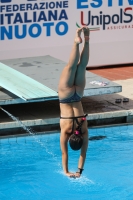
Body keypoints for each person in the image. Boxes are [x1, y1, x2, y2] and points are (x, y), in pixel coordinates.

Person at [58, 27, 90, 178]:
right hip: (65, 96)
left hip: (78, 95)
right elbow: (64, 153)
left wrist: (79, 171)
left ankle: (86, 39)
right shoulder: (65, 133)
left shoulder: (83, 131)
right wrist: (67, 172)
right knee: (70, 66)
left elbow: (83, 154)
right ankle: (76, 42)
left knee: (81, 66)